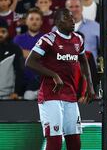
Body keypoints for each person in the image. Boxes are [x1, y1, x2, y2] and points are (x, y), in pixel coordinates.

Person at [25, 8, 95, 150]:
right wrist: (54, 75)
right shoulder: (48, 39)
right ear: (57, 22)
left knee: (74, 140)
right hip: (50, 95)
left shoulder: (78, 39)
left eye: (72, 17)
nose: (72, 20)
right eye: (67, 18)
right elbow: (30, 62)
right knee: (55, 141)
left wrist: (90, 85)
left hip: (70, 94)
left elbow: (83, 61)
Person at [13, 8, 44, 100]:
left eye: (37, 19)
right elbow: (15, 57)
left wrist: (26, 53)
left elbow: (48, 58)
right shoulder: (18, 39)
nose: (34, 22)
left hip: (40, 82)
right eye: (31, 19)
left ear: (41, 22)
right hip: (21, 81)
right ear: (26, 21)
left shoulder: (46, 38)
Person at [0, 19, 24, 100]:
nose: (0, 34)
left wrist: (16, 92)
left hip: (9, 96)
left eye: (3, 31)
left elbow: (20, 72)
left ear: (7, 32)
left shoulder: (15, 49)